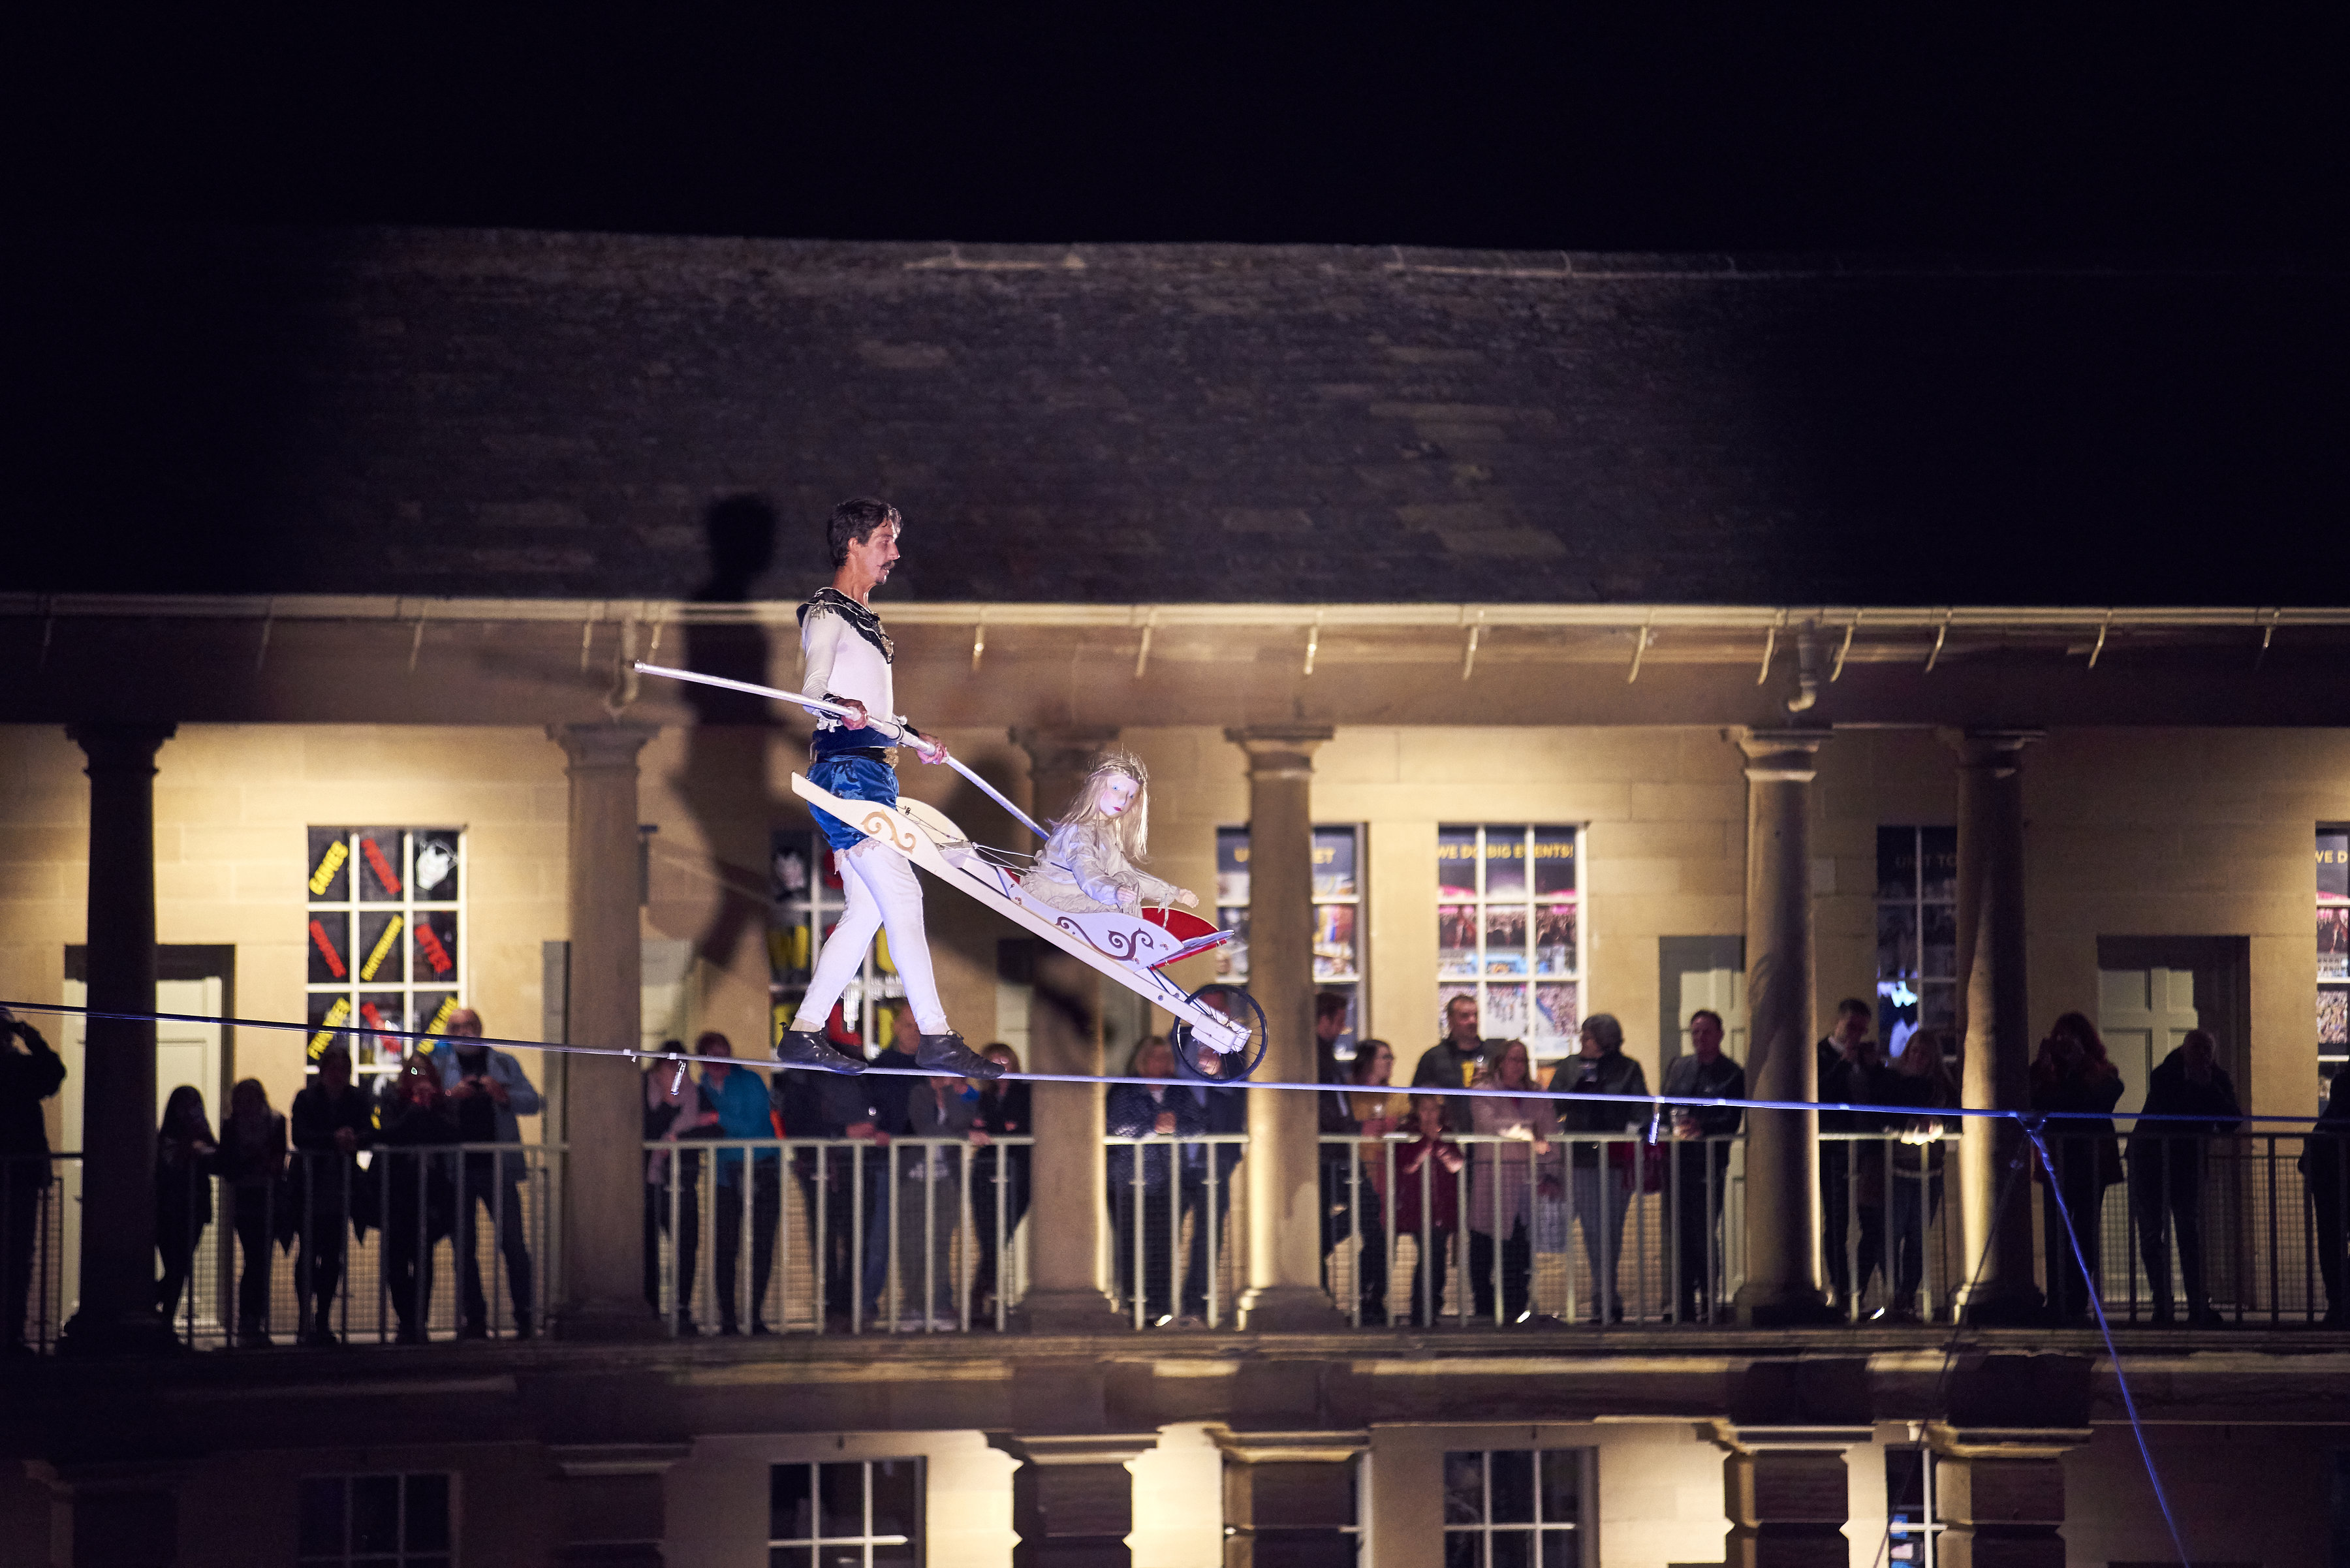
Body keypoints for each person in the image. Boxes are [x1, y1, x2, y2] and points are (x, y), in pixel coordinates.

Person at [775, 497, 1000, 1083]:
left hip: (871, 769)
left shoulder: (864, 619)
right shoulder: (826, 614)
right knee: (903, 898)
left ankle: (803, 1031)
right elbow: (812, 692)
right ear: (852, 544)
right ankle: (936, 1035)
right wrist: (838, 707)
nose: (894, 553)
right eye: (884, 540)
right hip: (847, 774)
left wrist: (913, 735)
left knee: (868, 911)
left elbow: (872, 711)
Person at [428, 1009, 540, 1339]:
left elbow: (534, 1102)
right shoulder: (437, 1064)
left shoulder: (503, 1063)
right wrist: (452, 1096)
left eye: (470, 1026)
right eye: (457, 1027)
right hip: (456, 1169)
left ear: (481, 1029)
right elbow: (422, 1101)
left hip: (498, 1168)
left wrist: (502, 1095)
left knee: (514, 1245)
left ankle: (525, 1315)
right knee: (463, 1247)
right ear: (449, 1034)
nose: (465, 1033)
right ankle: (474, 1319)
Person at [2129, 1029, 2242, 1326]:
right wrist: (2202, 1091)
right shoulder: (2164, 1074)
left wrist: (2207, 1089)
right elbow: (2173, 1109)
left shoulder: (2216, 1078)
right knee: (2154, 1236)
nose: (2204, 1057)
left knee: (2190, 1236)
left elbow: (2233, 1120)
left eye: (2208, 1051)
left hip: (2184, 1166)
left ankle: (2196, 1306)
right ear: (2184, 1051)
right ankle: (2163, 1305)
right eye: (2198, 1050)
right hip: (2152, 1163)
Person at [826, 1005, 923, 1328]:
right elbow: (879, 1115)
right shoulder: (881, 1068)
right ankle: (864, 1303)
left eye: (920, 1024)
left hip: (924, 1168)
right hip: (886, 1164)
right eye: (909, 1025)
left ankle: (919, 1302)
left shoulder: (933, 1067)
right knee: (877, 1240)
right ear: (896, 1027)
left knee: (919, 1239)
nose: (916, 1031)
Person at [2029, 1011, 2125, 1325]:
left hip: (2090, 1163)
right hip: (2056, 1162)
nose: (2065, 1048)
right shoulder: (2048, 1075)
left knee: (2084, 1233)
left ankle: (2077, 1301)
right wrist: (2043, 1065)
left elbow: (2095, 1102)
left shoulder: (2102, 1074)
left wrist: (2079, 1067)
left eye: (2072, 1041)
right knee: (2055, 1235)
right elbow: (2034, 1100)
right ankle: (2057, 1301)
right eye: (2061, 1041)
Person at [1017, 751, 1198, 915]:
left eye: (1131, 796)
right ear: (1097, 787)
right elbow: (1087, 872)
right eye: (1115, 789)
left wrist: (1173, 892)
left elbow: (1122, 870)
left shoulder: (1106, 832)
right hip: (1055, 896)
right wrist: (1113, 891)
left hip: (1082, 892)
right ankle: (1131, 936)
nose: (1122, 799)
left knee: (1126, 880)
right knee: (1119, 898)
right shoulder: (1079, 831)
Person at [1555, 1014, 1648, 1323]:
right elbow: (1554, 1106)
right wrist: (1578, 1083)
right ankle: (1605, 1294)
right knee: (1592, 1229)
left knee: (1612, 1229)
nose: (1582, 1041)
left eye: (1588, 1036)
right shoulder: (1570, 1066)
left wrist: (1630, 1136)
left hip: (1614, 1161)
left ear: (1605, 1039)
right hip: (1580, 1159)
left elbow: (1640, 1109)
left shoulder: (1628, 1068)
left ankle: (1606, 1293)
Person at [1105, 1035, 1202, 1326]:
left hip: (1168, 1181)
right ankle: (1134, 1304)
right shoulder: (1124, 1090)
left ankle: (1159, 1309)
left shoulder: (1178, 1091)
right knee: (1132, 1244)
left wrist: (1175, 1127)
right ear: (1143, 1061)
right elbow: (1116, 1125)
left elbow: (1197, 1125)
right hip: (1127, 1182)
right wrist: (1153, 1127)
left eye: (1166, 1058)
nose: (1162, 1063)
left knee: (1163, 1245)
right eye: (1156, 1057)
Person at [1658, 1010, 1744, 1324]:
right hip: (1677, 1163)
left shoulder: (1732, 1074)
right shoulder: (1679, 1067)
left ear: (1720, 1035)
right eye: (1694, 1032)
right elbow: (1664, 1106)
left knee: (1703, 1234)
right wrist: (1655, 1136)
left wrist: (1702, 1126)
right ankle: (1682, 1304)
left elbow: (1731, 1121)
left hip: (1709, 1166)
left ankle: (1710, 1299)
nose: (1699, 1038)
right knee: (1678, 1235)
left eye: (1706, 1032)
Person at [1466, 1039, 1559, 1325]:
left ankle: (1515, 1312)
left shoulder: (1537, 1093)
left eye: (1522, 1059)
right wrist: (1529, 1132)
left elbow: (1552, 1133)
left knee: (1518, 1253)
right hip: (1492, 1179)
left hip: (1525, 1182)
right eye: (1512, 1059)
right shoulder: (1483, 1091)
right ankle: (1484, 1311)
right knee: (1483, 1250)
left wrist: (1553, 1171)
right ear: (1500, 1061)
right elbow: (1490, 1124)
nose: (1518, 1065)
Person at [1869, 1031, 1960, 1321]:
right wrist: (1912, 1128)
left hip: (1929, 1172)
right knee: (1890, 1236)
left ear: (1933, 1057)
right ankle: (1893, 1295)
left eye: (1923, 1053)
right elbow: (1885, 1116)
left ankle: (1908, 1296)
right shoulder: (1895, 1082)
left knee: (1918, 1238)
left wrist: (1936, 1126)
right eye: (1913, 1052)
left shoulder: (1942, 1087)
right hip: (1898, 1169)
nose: (1917, 1057)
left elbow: (1954, 1118)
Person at [290, 1041, 375, 1345]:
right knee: (308, 1254)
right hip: (309, 1186)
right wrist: (335, 1138)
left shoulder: (357, 1098)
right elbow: (300, 1136)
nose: (338, 1074)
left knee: (332, 1256)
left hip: (341, 1188)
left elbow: (370, 1131)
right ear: (323, 1070)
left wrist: (353, 1138)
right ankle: (305, 1317)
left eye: (343, 1069)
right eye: (333, 1069)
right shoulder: (306, 1097)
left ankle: (322, 1319)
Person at [698, 1031, 782, 1334]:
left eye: (724, 1054)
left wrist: (714, 1118)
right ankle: (729, 1319)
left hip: (762, 1169)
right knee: (726, 1248)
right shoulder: (702, 1088)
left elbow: (754, 1124)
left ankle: (756, 1316)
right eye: (712, 1056)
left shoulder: (750, 1082)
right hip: (726, 1175)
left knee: (762, 1246)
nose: (720, 1062)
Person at [377, 1056, 459, 1343]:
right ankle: (405, 1320)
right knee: (396, 1260)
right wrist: (415, 1108)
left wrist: (430, 1107)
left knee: (424, 1258)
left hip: (431, 1192)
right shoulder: (392, 1100)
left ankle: (419, 1322)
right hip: (398, 1192)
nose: (418, 1075)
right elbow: (390, 1133)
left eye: (425, 1071)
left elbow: (452, 1135)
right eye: (413, 1070)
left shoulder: (444, 1103)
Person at [0, 1007, 65, 1355]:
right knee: (18, 1256)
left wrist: (33, 1043)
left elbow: (54, 1075)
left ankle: (11, 1334)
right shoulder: (21, 1068)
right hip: (22, 1172)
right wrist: (34, 1041)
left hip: (22, 1173)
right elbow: (53, 1074)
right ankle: (11, 1335)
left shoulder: (21, 1068)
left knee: (19, 1256)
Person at [899, 1071, 982, 1330]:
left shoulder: (959, 1095)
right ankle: (913, 1307)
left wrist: (950, 1093)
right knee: (912, 1245)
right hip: (914, 1177)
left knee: (940, 1244)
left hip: (946, 1178)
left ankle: (937, 1306)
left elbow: (963, 1121)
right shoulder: (918, 1092)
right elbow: (925, 1128)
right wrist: (961, 1136)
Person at [644, 1044, 718, 1334]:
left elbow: (714, 1128)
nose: (676, 1074)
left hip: (683, 1181)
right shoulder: (643, 1089)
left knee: (687, 1246)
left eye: (681, 1067)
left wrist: (679, 1135)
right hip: (649, 1183)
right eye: (670, 1068)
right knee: (647, 1248)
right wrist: (667, 1103)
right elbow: (645, 1130)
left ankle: (682, 1308)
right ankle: (650, 1307)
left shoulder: (695, 1092)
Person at [1178, 1037, 1247, 1325]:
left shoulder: (1234, 1073)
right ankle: (1154, 1306)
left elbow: (1236, 1104)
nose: (1209, 1057)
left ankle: (1196, 1305)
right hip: (1174, 1163)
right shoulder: (1179, 1068)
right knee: (1161, 1234)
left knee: (1209, 1235)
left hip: (1216, 1162)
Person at [215, 1078, 288, 1347]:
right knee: (255, 1258)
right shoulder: (232, 1125)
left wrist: (260, 1161)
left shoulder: (276, 1121)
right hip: (246, 1197)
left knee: (261, 1259)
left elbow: (277, 1159)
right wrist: (254, 1160)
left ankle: (254, 1317)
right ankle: (250, 1317)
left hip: (268, 1196)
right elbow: (229, 1162)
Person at [1815, 997, 1877, 1313]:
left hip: (1866, 1154)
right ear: (1838, 1022)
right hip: (1834, 1152)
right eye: (1852, 1027)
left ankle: (1858, 1289)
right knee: (1838, 1223)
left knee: (1874, 1225)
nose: (1856, 1034)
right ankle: (1841, 1292)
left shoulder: (1865, 1058)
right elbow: (1819, 1095)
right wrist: (1843, 1064)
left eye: (1862, 1030)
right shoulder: (1819, 1055)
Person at [967, 1043, 1031, 1325]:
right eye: (993, 1061)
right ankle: (987, 1299)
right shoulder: (984, 1097)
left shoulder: (1027, 1093)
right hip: (985, 1170)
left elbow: (1025, 1126)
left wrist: (996, 1129)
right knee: (988, 1236)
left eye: (1005, 1060)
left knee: (1001, 1236)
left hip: (1018, 1170)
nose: (1001, 1066)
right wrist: (999, 1129)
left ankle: (980, 1297)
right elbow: (983, 1128)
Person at [1345, 1041, 1403, 1325]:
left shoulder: (1396, 1096)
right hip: (1355, 1176)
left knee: (1383, 1240)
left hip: (1387, 1177)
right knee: (1367, 1234)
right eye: (1385, 1057)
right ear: (1368, 1061)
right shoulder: (1349, 1093)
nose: (1391, 1061)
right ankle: (1363, 1295)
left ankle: (1374, 1296)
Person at [1394, 1095, 1465, 1325]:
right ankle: (1422, 1310)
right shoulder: (1407, 1133)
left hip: (1442, 1210)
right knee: (1429, 1257)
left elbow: (1457, 1164)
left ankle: (1430, 1308)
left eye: (1433, 1109)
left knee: (1437, 1257)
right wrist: (1427, 1143)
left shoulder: (1447, 1133)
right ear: (1416, 1110)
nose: (1429, 1114)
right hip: (1417, 1209)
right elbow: (1407, 1164)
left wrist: (1438, 1145)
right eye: (1424, 1109)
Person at [153, 1084, 218, 1330]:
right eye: (184, 1106)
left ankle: (164, 1320)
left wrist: (202, 1145)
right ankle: (152, 1308)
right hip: (169, 1210)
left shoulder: (202, 1134)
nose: (189, 1112)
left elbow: (216, 1161)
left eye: (194, 1105)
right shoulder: (163, 1139)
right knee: (176, 1266)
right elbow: (166, 1168)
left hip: (195, 1209)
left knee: (180, 1267)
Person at [1314, 991, 1358, 1288]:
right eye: (1340, 1020)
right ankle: (1316, 1263)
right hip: (1328, 1149)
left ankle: (1317, 1256)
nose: (1343, 1028)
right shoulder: (1316, 1054)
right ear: (1324, 1019)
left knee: (1360, 1207)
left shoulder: (1326, 1053)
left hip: (1337, 1146)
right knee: (1355, 1207)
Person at [2304, 1071, 2350, 1327]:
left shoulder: (2329, 1121)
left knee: (2331, 1245)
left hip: (2327, 1184)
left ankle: (2337, 1304)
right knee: (2333, 1246)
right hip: (2331, 1181)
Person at [1415, 994, 1496, 1135]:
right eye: (1465, 1016)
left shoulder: (1494, 1055)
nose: (1473, 1021)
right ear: (1451, 1020)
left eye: (1475, 1015)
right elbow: (1417, 1098)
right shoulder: (1433, 1058)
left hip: (1488, 1136)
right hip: (1448, 1136)